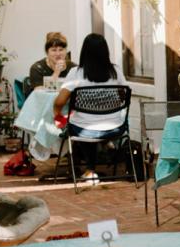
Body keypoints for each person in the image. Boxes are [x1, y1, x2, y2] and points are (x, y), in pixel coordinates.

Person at [52, 33, 125, 184]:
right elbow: (124, 96)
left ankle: (90, 169)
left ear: (84, 52)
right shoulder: (116, 71)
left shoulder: (76, 73)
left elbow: (60, 101)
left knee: (80, 124)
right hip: (115, 128)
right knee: (91, 123)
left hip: (84, 129)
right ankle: (106, 149)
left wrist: (56, 113)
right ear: (106, 51)